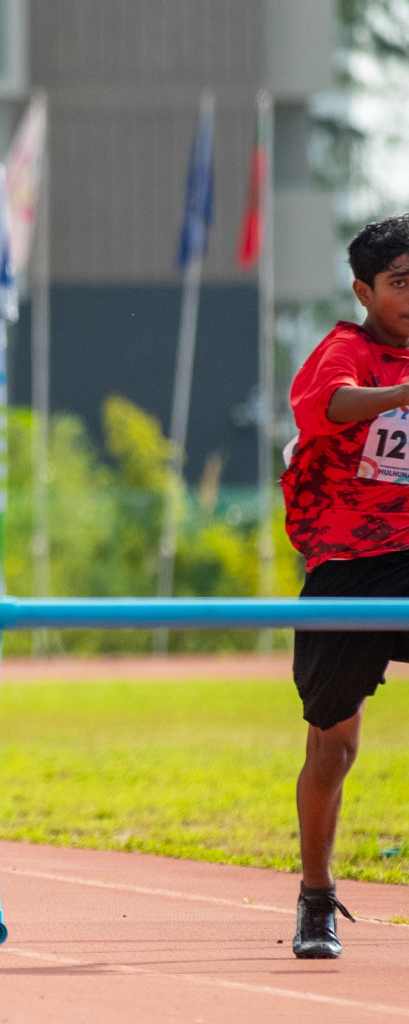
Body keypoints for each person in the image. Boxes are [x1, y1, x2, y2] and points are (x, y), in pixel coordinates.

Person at [280, 213, 409, 959]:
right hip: (348, 566)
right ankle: (316, 896)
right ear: (365, 290)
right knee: (333, 748)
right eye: (400, 284)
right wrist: (401, 396)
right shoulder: (343, 351)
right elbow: (333, 406)